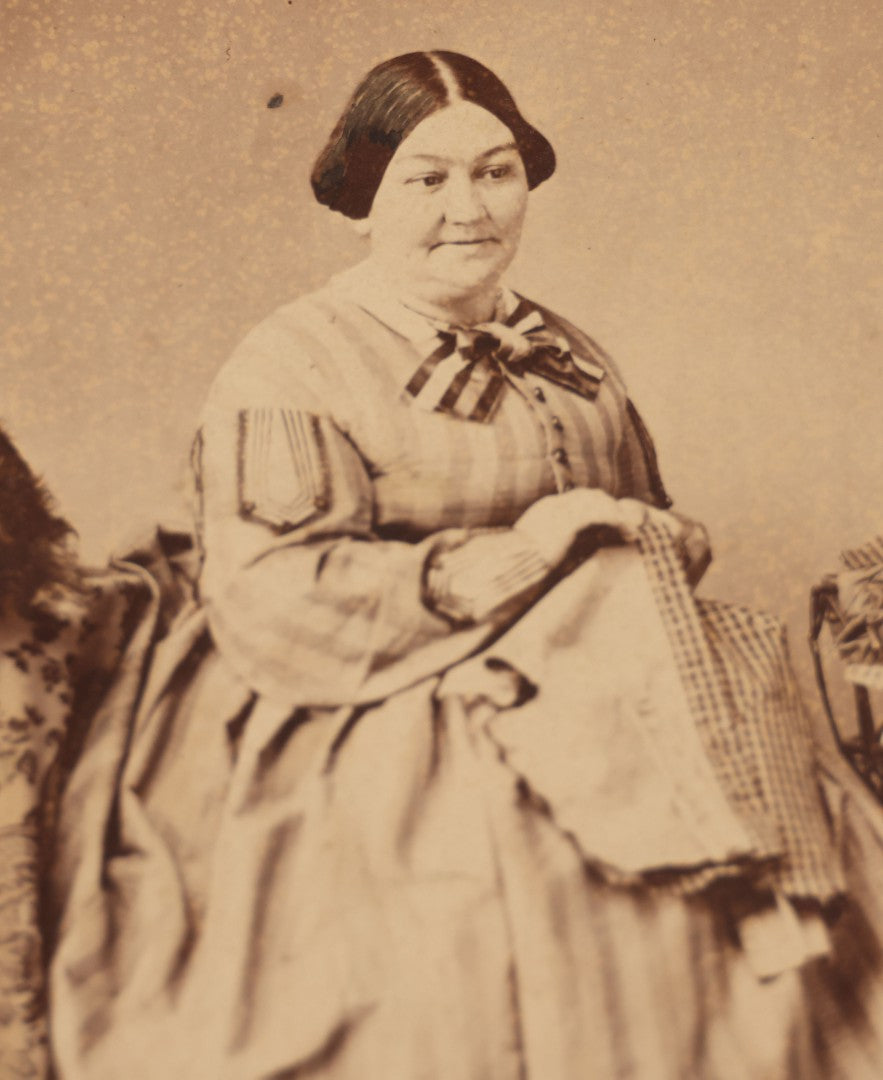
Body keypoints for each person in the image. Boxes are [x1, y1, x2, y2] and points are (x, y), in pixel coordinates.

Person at [47, 52, 883, 1080]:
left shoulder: (567, 353)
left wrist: (634, 539)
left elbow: (651, 519)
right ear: (363, 202)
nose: (468, 210)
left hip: (586, 663)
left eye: (495, 173)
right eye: (426, 180)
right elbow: (273, 597)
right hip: (353, 681)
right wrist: (498, 568)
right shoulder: (292, 360)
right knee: (482, 885)